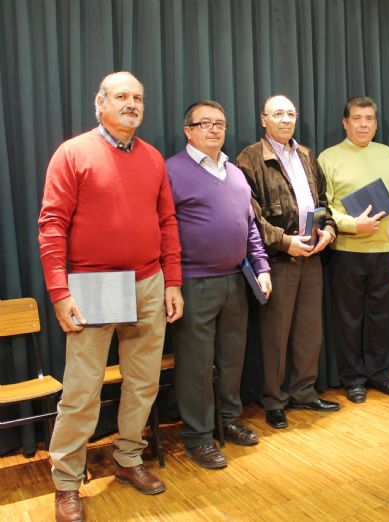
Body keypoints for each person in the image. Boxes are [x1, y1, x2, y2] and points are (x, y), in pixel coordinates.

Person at [38, 71, 184, 522]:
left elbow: (167, 223)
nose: (132, 104)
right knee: (82, 391)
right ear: (99, 103)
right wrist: (59, 292)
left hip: (148, 282)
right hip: (93, 285)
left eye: (138, 97)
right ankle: (66, 483)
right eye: (122, 96)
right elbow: (52, 226)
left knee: (143, 384)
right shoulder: (73, 153)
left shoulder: (153, 158)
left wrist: (173, 280)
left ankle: (128, 459)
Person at [166, 101, 271, 468]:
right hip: (194, 283)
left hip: (235, 279)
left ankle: (228, 420)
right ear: (188, 130)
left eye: (220, 123)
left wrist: (262, 267)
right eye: (205, 123)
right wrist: (173, 283)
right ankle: (198, 436)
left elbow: (251, 227)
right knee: (196, 364)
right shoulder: (172, 172)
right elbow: (164, 231)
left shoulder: (235, 171)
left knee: (231, 359)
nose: (214, 129)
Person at [236, 94, 340, 429]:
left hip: (312, 257)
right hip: (277, 260)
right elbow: (250, 216)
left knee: (310, 331)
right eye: (277, 114)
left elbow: (322, 200)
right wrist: (285, 242)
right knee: (275, 335)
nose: (285, 119)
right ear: (263, 119)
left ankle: (304, 392)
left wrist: (328, 230)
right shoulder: (249, 159)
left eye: (291, 113)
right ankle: (274, 399)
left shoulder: (307, 154)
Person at [318, 96, 389, 404]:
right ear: (345, 123)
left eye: (369, 119)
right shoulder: (328, 158)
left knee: (380, 317)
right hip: (346, 251)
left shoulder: (388, 155)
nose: (363, 124)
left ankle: (378, 373)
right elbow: (325, 206)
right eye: (357, 118)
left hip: (385, 251)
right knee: (349, 319)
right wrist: (351, 224)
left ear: (375, 123)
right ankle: (353, 378)